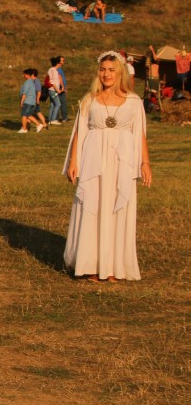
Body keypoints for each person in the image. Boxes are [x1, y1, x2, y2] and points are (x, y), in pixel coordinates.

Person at [63, 51, 152, 282]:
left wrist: (145, 163)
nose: (106, 74)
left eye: (111, 70)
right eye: (103, 69)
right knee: (93, 207)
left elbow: (139, 134)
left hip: (122, 163)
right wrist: (74, 161)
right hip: (93, 161)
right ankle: (91, 265)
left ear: (120, 72)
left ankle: (113, 267)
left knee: (116, 209)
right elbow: (80, 132)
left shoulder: (134, 101)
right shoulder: (89, 100)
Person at [19, 69, 44, 133]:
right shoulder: (32, 82)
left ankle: (24, 129)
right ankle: (38, 125)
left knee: (24, 115)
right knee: (28, 115)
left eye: (25, 74)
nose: (24, 75)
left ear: (28, 75)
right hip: (32, 102)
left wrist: (22, 101)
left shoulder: (27, 82)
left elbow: (24, 93)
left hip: (27, 101)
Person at [47, 57, 64, 124]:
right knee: (58, 104)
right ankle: (53, 120)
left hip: (54, 91)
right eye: (60, 63)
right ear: (57, 63)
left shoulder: (55, 71)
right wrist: (57, 89)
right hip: (53, 90)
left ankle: (50, 119)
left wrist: (61, 87)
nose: (61, 65)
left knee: (52, 105)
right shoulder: (53, 70)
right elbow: (52, 81)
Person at [57, 55, 69, 122]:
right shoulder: (58, 69)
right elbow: (59, 78)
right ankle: (64, 118)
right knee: (62, 103)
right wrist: (63, 88)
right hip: (60, 88)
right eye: (63, 60)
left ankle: (58, 117)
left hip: (61, 88)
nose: (64, 61)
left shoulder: (60, 69)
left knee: (59, 103)